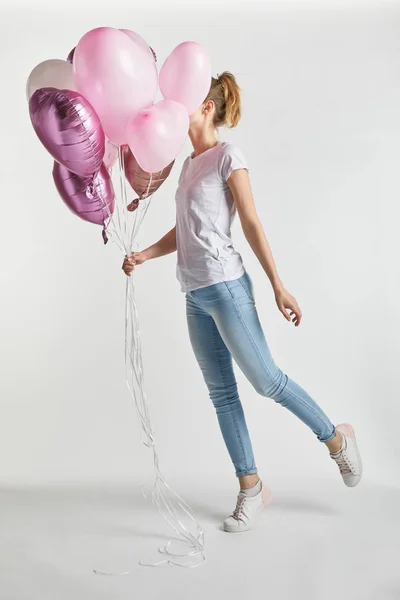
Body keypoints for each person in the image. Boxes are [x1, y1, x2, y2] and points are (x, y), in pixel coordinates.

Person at [122, 72, 362, 533]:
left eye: (185, 103)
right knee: (222, 395)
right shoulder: (188, 164)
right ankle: (251, 488)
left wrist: (277, 284)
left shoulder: (228, 156)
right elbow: (186, 231)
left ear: (207, 108)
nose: (173, 110)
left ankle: (337, 440)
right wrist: (145, 255)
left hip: (228, 287)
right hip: (194, 293)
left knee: (267, 381)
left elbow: (250, 222)